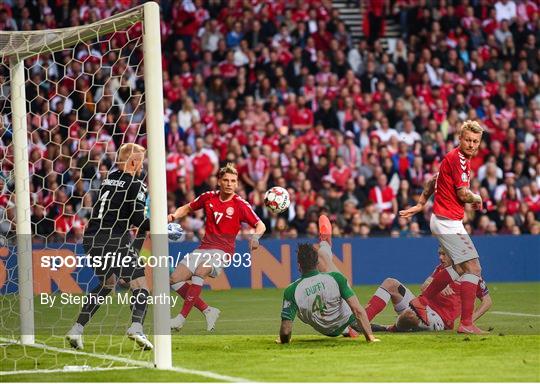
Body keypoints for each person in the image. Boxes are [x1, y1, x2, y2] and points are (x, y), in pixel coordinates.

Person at [400, 120, 488, 334]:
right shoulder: (458, 160)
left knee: (459, 268)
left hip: (447, 220)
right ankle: (466, 324)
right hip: (447, 222)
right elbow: (462, 194)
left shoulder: (457, 159)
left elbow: (432, 181)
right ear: (460, 138)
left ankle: (422, 301)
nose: (471, 144)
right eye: (468, 140)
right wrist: (478, 197)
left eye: (475, 141)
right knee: (474, 268)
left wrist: (421, 204)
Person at [66, 143, 153, 350]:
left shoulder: (109, 179)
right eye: (141, 160)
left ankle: (77, 329)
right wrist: (162, 225)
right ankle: (136, 327)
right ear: (133, 161)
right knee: (142, 286)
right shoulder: (136, 183)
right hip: (113, 237)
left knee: (108, 283)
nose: (143, 165)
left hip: (92, 237)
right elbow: (138, 220)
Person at [167, 163, 266, 330]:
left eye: (233, 181)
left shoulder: (240, 205)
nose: (229, 184)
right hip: (203, 248)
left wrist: (255, 237)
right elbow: (187, 207)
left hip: (223, 251)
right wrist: (174, 215)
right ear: (219, 181)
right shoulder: (208, 197)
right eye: (226, 180)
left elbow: (261, 225)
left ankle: (180, 319)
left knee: (200, 271)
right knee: (174, 279)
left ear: (237, 184)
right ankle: (208, 310)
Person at [365, 247, 492, 332]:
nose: (441, 258)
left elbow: (487, 301)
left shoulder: (472, 276)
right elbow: (424, 286)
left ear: (454, 255)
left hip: (439, 320)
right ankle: (361, 322)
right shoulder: (441, 269)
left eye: (444, 254)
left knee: (409, 316)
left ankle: (389, 328)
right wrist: (436, 284)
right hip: (422, 306)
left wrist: (470, 319)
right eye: (439, 254)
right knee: (390, 283)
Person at [277, 239, 379, 344]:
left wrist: (284, 340)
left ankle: (325, 244)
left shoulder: (292, 290)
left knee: (298, 307)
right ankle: (325, 243)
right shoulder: (335, 278)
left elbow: (285, 331)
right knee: (333, 271)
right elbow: (357, 310)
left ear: (299, 265)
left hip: (327, 331)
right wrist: (370, 337)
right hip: (346, 320)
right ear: (317, 262)